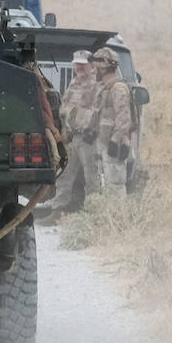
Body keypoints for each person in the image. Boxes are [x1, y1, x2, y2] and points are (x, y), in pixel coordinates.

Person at [40, 49, 110, 220]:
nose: (79, 68)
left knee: (91, 177)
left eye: (83, 65)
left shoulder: (97, 85)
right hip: (74, 137)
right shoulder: (74, 83)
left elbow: (99, 112)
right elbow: (66, 107)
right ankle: (57, 211)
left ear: (91, 66)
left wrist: (91, 129)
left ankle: (94, 214)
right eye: (76, 64)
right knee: (64, 175)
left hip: (89, 138)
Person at [98, 51, 136, 187]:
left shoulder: (118, 88)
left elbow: (124, 119)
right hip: (104, 143)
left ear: (102, 68)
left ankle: (116, 208)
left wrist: (115, 141)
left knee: (115, 185)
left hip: (114, 144)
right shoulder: (105, 88)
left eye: (96, 67)